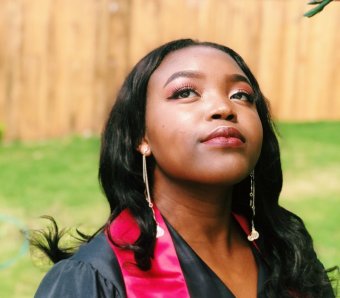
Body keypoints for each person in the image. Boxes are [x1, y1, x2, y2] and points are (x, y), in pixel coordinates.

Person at [33, 39, 336, 297]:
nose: (224, 108)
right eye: (185, 92)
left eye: (241, 95)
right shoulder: (93, 280)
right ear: (141, 136)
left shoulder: (287, 255)